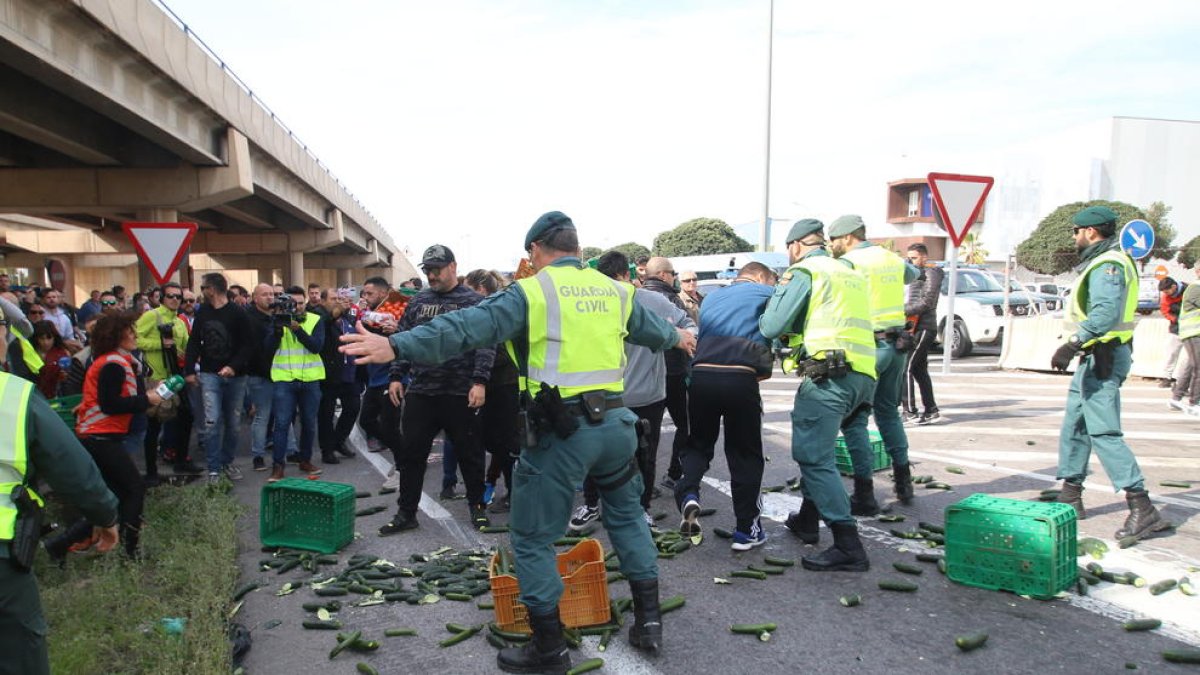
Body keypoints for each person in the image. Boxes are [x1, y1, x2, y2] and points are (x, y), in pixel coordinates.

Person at [340, 211, 695, 672]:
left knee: (531, 539)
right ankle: (649, 623)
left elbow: (466, 328)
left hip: (562, 434)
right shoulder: (616, 290)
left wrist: (398, 347)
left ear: (535, 251)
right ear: (577, 249)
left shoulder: (533, 292)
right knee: (626, 518)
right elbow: (655, 331)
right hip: (617, 428)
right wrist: (679, 335)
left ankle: (549, 648)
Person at [0, 304, 121, 675]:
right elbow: (70, 467)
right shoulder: (12, 396)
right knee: (19, 650)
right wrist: (104, 515)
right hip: (3, 555)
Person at [759, 218, 876, 572]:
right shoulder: (849, 271)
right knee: (822, 453)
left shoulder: (806, 272)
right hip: (863, 375)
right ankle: (808, 520)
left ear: (795, 246)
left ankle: (848, 544)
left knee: (813, 457)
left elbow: (771, 326)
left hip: (828, 378)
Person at [1051, 205, 1169, 541]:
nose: (1074, 237)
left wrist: (1072, 343)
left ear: (1090, 232)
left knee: (1103, 432)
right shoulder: (1105, 261)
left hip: (1103, 356)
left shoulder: (1108, 265)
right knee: (1076, 423)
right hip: (1094, 357)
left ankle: (1142, 506)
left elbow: (1104, 313)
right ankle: (1070, 496)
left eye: (1076, 231)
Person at [570, 252, 694, 532]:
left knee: (603, 452)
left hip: (625, 394)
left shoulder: (647, 300)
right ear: (627, 274)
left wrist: (680, 336)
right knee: (640, 455)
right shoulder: (596, 304)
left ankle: (607, 507)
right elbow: (689, 325)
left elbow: (687, 326)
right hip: (617, 393)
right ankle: (632, 509)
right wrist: (682, 336)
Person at [378, 245, 495, 533]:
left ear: (453, 267)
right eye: (427, 269)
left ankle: (478, 509)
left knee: (470, 455)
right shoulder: (418, 301)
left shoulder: (472, 301)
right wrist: (396, 375)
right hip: (422, 391)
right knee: (411, 455)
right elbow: (404, 339)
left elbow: (486, 342)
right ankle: (407, 513)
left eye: (437, 269)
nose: (431, 275)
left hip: (460, 392)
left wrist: (479, 381)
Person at [674, 262, 776, 549]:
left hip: (702, 374)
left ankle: (689, 493)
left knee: (698, 444)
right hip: (741, 377)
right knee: (745, 454)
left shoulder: (712, 298)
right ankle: (747, 530)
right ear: (759, 277)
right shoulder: (766, 293)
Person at [828, 215, 920, 513]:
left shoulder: (849, 263)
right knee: (888, 414)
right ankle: (904, 482)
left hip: (867, 348)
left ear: (847, 237)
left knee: (855, 418)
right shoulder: (892, 259)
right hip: (896, 347)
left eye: (834, 240)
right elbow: (914, 274)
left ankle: (864, 494)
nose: (832, 245)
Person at [75, 312, 162, 557]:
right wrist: (147, 400)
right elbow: (111, 404)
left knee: (116, 494)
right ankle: (130, 551)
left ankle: (62, 545)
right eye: (129, 330)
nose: (134, 334)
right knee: (134, 489)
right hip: (100, 437)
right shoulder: (113, 363)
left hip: (99, 436)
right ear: (116, 335)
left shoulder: (114, 360)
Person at [184, 272, 251, 486]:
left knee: (233, 424)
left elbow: (247, 345)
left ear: (212, 289)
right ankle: (213, 468)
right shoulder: (202, 312)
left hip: (236, 377)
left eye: (203, 287)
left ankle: (226, 462)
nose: (201, 292)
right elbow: (194, 342)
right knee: (212, 422)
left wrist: (233, 366)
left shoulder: (238, 313)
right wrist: (189, 371)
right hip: (209, 374)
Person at [464, 269, 519, 513]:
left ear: (481, 290)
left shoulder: (496, 313)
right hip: (492, 386)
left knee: (507, 444)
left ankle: (514, 493)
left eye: (468, 289)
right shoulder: (484, 311)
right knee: (494, 443)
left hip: (504, 385)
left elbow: (503, 353)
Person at [134, 282, 197, 482]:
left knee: (186, 417)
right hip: (157, 378)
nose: (176, 300)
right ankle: (151, 471)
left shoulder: (179, 321)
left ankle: (180, 459)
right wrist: (159, 344)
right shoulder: (152, 316)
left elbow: (187, 346)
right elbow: (134, 339)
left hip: (176, 377)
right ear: (162, 298)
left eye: (179, 297)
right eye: (171, 296)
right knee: (154, 423)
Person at [264, 286, 326, 482]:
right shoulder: (277, 320)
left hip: (310, 379)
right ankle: (278, 466)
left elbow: (316, 346)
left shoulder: (315, 319)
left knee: (308, 423)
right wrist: (276, 331)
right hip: (284, 379)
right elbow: (267, 349)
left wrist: (297, 330)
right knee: (281, 424)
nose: (296, 307)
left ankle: (305, 460)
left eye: (299, 303)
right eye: (292, 304)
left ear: (305, 302)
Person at [641, 257, 691, 494]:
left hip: (644, 376)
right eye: (674, 273)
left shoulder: (636, 298)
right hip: (673, 374)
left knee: (646, 433)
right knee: (685, 425)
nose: (676, 278)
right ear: (662, 275)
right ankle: (674, 473)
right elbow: (689, 332)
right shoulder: (671, 301)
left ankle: (643, 484)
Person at [355, 276, 404, 492]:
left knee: (389, 426)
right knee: (366, 421)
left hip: (392, 378)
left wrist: (398, 377)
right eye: (363, 293)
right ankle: (405, 456)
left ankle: (404, 467)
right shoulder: (369, 315)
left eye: (370, 293)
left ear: (383, 294)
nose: (365, 297)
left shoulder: (393, 314)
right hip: (375, 377)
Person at [316, 288, 361, 462]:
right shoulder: (320, 316)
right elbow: (326, 322)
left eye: (340, 298)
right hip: (329, 373)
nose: (338, 301)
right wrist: (336, 313)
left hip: (349, 371)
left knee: (353, 407)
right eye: (333, 298)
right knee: (326, 414)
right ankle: (327, 450)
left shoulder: (348, 319)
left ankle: (339, 441)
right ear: (323, 301)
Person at [901, 243, 942, 424]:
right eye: (909, 257)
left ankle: (910, 411)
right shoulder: (912, 273)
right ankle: (931, 409)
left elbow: (927, 302)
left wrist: (900, 310)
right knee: (919, 370)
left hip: (924, 327)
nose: (911, 261)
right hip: (913, 326)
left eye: (915, 257)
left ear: (924, 257)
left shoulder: (932, 273)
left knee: (906, 368)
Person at [243, 284, 277, 471]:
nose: (269, 298)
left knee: (284, 416)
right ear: (255, 298)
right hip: (259, 374)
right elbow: (257, 349)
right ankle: (258, 456)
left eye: (272, 294)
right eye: (265, 295)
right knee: (262, 416)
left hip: (280, 373)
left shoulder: (276, 317)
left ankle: (291, 451)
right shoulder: (250, 319)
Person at [1169, 269, 1200, 415]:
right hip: (1194, 333)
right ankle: (1195, 403)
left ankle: (1177, 397)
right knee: (1199, 368)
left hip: (1194, 334)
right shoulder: (1195, 288)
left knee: (1190, 367)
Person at [1159, 276, 1187, 389]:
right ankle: (1166, 378)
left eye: (1167, 291)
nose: (1166, 294)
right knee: (1171, 353)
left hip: (1192, 328)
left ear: (1174, 287)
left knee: (1189, 357)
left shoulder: (1189, 290)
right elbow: (1165, 311)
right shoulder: (1166, 297)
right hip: (1176, 328)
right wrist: (1174, 319)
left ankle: (1182, 380)